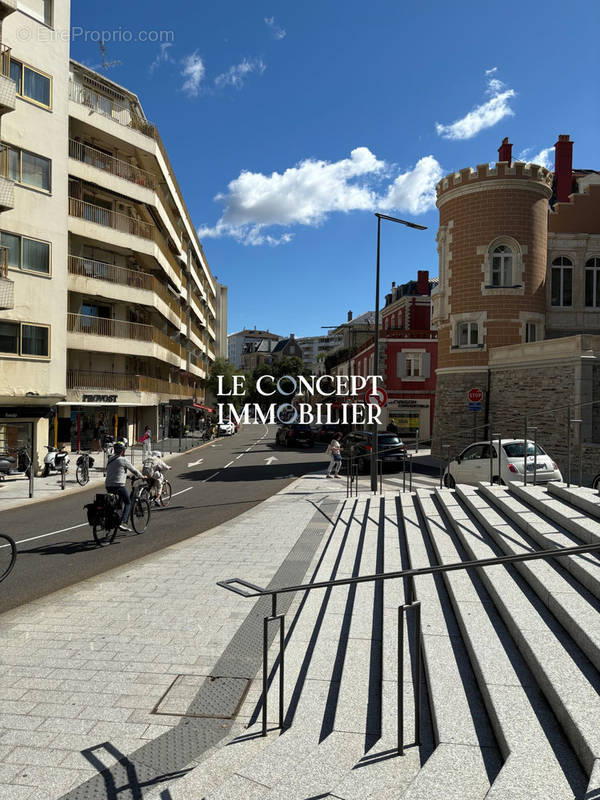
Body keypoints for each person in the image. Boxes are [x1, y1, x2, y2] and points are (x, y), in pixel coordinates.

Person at [105, 441, 145, 531]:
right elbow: (134, 470)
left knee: (116, 502)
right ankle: (123, 522)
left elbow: (113, 470)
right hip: (118, 485)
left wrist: (124, 475)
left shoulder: (110, 459)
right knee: (128, 502)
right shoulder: (123, 460)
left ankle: (115, 517)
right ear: (123, 451)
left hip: (108, 485)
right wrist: (142, 476)